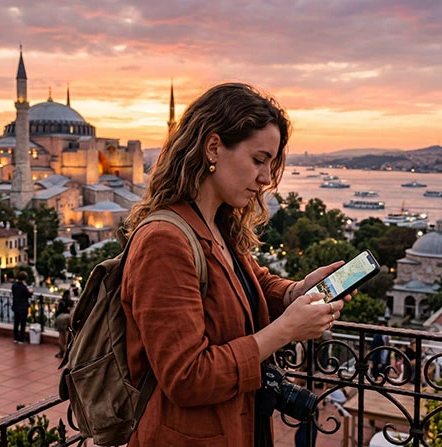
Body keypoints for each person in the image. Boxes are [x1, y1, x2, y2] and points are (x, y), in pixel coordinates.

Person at [121, 83, 351, 447]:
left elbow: (250, 285)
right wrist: (286, 330)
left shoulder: (217, 225)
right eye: (258, 160)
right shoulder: (165, 241)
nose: (265, 178)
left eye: (271, 164)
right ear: (214, 147)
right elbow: (186, 377)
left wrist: (295, 292)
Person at [11, 271, 32, 344]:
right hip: (23, 307)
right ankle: (21, 338)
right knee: (22, 323)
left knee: (16, 322)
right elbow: (28, 295)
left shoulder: (14, 285)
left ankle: (16, 337)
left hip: (16, 306)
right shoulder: (23, 287)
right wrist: (30, 291)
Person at [54, 290, 74, 358]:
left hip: (59, 317)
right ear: (69, 295)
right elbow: (72, 310)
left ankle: (61, 352)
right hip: (66, 317)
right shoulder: (70, 302)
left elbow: (57, 309)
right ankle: (67, 353)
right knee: (67, 335)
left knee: (61, 335)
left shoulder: (60, 301)